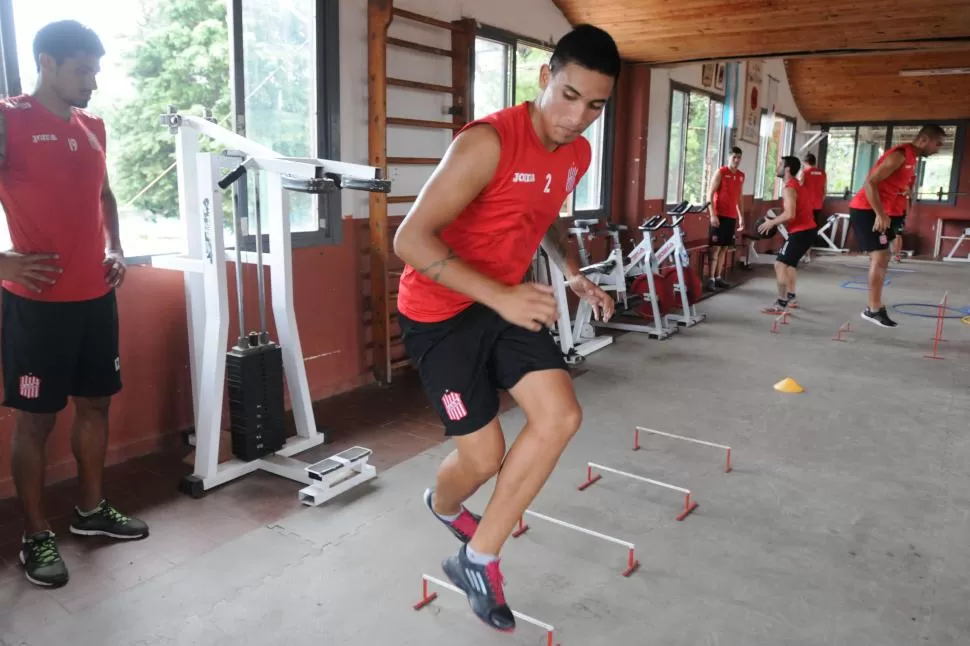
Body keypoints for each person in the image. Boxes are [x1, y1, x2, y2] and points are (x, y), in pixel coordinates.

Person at [392, 24, 619, 633]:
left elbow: (549, 215)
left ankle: (478, 557)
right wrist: (500, 295)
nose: (579, 117)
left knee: (561, 416)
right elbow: (408, 240)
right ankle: (442, 507)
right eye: (570, 96)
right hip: (439, 312)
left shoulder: (577, 153)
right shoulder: (488, 142)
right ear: (546, 79)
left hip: (507, 299)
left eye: (596, 105)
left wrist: (572, 273)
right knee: (484, 456)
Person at [0, 20, 149, 590]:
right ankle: (35, 534)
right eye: (83, 70)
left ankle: (90, 512)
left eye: (96, 69)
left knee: (96, 405)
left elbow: (104, 195)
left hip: (94, 298)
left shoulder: (93, 127)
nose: (93, 81)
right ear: (47, 63)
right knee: (36, 421)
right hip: (37, 305)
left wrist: (116, 246)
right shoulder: (11, 119)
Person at [848, 125, 945, 327]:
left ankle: (874, 307)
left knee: (883, 257)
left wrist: (906, 189)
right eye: (938, 143)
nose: (939, 148)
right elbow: (870, 183)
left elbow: (894, 181)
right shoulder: (900, 155)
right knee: (881, 256)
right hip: (866, 209)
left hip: (884, 210)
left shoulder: (911, 158)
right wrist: (880, 214)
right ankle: (873, 309)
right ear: (924, 140)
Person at [757, 156, 817, 314]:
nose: (777, 167)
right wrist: (777, 218)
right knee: (789, 265)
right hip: (807, 231)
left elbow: (790, 214)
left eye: (780, 165)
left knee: (780, 265)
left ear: (787, 169)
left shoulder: (789, 187)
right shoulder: (796, 185)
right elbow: (794, 212)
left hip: (802, 232)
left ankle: (781, 304)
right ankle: (791, 297)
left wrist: (772, 222)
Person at [706, 146, 745, 291]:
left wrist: (741, 217)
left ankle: (718, 277)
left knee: (724, 248)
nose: (736, 160)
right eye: (734, 157)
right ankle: (710, 279)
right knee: (715, 248)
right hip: (719, 216)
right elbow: (709, 194)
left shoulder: (741, 175)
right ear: (729, 157)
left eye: (739, 157)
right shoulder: (721, 172)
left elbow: (739, 198)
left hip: (731, 217)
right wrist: (712, 214)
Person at [799, 152, 827, 228]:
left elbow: (799, 187)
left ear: (806, 162)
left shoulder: (804, 173)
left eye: (803, 164)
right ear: (814, 162)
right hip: (818, 205)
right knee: (814, 225)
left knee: (804, 226)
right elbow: (825, 191)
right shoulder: (823, 173)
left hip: (806, 206)